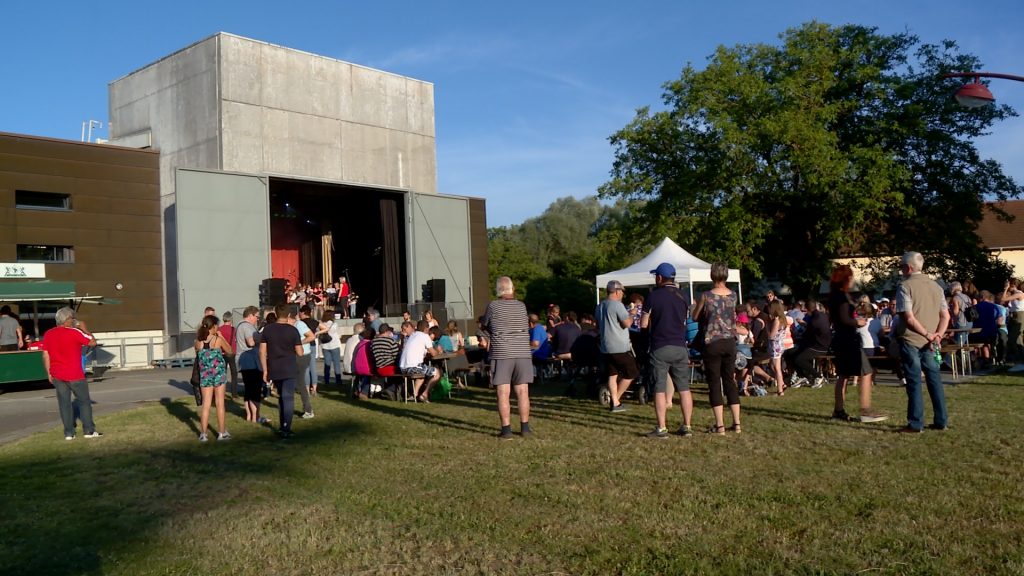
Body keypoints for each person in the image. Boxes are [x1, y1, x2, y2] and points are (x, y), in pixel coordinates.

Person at [895, 251, 950, 433]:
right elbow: (945, 316)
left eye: (902, 266)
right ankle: (941, 420)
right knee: (934, 379)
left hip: (912, 339)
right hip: (932, 341)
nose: (901, 270)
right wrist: (938, 336)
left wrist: (928, 334)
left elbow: (909, 318)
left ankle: (915, 423)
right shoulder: (937, 287)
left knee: (914, 381)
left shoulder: (905, 286)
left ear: (909, 267)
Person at [640, 262, 694, 438]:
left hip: (660, 346)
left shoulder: (653, 297)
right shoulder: (684, 296)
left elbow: (644, 323)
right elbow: (688, 319)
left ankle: (662, 428)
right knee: (684, 388)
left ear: (659, 277)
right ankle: (687, 426)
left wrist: (644, 338)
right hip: (680, 345)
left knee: (659, 388)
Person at [829, 265, 886, 423]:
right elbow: (844, 318)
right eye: (851, 276)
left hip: (840, 339)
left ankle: (838, 410)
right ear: (846, 278)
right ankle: (865, 410)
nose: (853, 279)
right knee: (866, 372)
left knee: (843, 375)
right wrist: (858, 321)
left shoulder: (834, 295)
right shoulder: (841, 297)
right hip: (848, 339)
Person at [691, 262, 741, 435]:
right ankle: (737, 423)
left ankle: (720, 425)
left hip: (712, 342)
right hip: (730, 342)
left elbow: (695, 317)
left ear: (711, 275)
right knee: (730, 381)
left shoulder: (706, 296)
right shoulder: (733, 295)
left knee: (714, 383)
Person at [482, 276, 533, 439]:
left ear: (497, 291)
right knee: (523, 391)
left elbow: (485, 326)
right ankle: (525, 427)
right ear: (513, 289)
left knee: (503, 392)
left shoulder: (493, 306)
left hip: (502, 352)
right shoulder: (521, 306)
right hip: (523, 352)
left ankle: (506, 429)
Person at [41, 307, 100, 440]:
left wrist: (48, 372)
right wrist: (84, 328)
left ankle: (69, 433)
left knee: (64, 403)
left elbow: (45, 355)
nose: (74, 320)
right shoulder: (74, 332)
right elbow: (92, 342)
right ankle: (89, 431)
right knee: (84, 402)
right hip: (75, 374)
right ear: (67, 320)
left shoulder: (49, 334)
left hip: (57, 374)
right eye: (72, 318)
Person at [260, 304, 303, 438]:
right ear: (289, 315)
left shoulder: (267, 330)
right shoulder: (293, 330)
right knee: (288, 397)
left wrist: (265, 370)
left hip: (274, 366)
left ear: (276, 314)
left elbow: (262, 352)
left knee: (281, 397)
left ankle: (282, 425)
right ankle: (286, 427)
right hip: (289, 366)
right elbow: (300, 352)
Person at [596, 280, 637, 413]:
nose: (622, 295)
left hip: (605, 346)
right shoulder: (617, 305)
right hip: (619, 346)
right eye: (622, 292)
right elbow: (627, 324)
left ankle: (615, 402)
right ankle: (615, 400)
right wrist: (632, 314)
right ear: (618, 291)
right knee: (631, 372)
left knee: (612, 374)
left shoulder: (600, 306)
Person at [194, 315, 233, 441]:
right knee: (220, 403)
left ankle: (203, 434)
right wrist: (221, 337)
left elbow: (199, 354)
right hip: (218, 374)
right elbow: (230, 351)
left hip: (205, 375)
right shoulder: (217, 340)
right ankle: (222, 432)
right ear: (214, 326)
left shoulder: (198, 342)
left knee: (206, 404)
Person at [235, 306, 267, 424]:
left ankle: (249, 416)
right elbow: (251, 342)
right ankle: (256, 417)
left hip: (242, 361)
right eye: (256, 317)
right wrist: (261, 337)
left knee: (248, 389)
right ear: (250, 315)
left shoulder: (239, 325)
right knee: (255, 390)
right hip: (250, 360)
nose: (257, 319)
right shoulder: (247, 326)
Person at [399, 320, 442, 402]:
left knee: (421, 376)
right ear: (426, 328)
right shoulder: (425, 336)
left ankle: (414, 395)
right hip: (413, 367)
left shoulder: (413, 335)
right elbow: (433, 353)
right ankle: (424, 394)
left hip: (403, 367)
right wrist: (438, 350)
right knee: (437, 373)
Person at [294, 307, 316, 415]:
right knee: (299, 382)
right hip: (296, 355)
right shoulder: (293, 325)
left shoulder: (299, 324)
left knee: (301, 382)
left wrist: (299, 343)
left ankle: (308, 410)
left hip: (303, 355)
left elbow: (312, 336)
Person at [317, 310, 343, 388]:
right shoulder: (334, 324)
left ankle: (326, 380)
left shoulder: (320, 324)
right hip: (334, 345)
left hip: (325, 346)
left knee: (327, 363)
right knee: (336, 364)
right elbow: (338, 334)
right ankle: (338, 381)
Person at [1000, 278, 1024, 362]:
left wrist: (1006, 288)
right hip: (1013, 316)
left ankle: (1019, 358)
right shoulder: (1014, 294)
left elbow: (1003, 299)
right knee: (1017, 339)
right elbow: (1003, 301)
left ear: (1012, 285)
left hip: (1019, 316)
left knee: (1013, 339)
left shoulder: (1019, 294)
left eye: (1007, 284)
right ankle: (1020, 358)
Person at [299, 305, 320, 395]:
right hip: (313, 345)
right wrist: (316, 334)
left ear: (303, 313)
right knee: (313, 367)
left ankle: (307, 388)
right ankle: (314, 388)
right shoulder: (314, 322)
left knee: (306, 368)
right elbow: (324, 329)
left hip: (305, 345)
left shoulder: (301, 323)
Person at [219, 311, 239, 396]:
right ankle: (234, 393)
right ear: (230, 319)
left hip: (222, 353)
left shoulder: (219, 329)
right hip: (231, 353)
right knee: (234, 373)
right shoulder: (233, 329)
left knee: (223, 373)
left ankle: (221, 391)